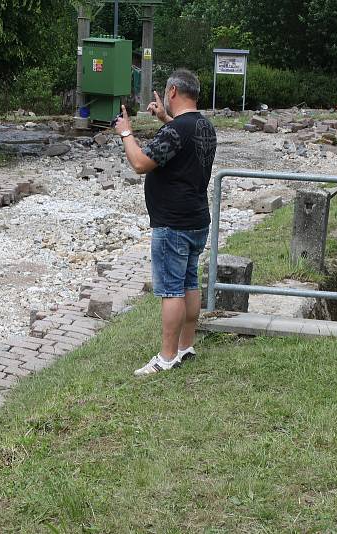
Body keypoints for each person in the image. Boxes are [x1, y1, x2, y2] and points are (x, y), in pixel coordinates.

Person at [114, 69, 217, 376]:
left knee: (171, 290)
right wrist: (164, 120)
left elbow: (139, 163)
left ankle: (167, 356)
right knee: (189, 283)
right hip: (197, 219)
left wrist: (125, 132)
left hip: (172, 224)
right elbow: (184, 140)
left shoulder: (176, 131)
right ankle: (186, 347)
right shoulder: (204, 126)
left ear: (172, 92)